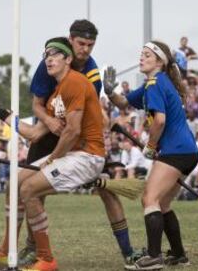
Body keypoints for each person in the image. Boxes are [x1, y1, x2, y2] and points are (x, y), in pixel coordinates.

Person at [0, 37, 105, 271]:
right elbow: (33, 133)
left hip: (88, 156)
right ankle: (6, 250)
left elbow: (73, 131)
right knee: (14, 184)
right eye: (46, 55)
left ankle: (46, 259)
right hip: (73, 156)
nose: (49, 58)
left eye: (55, 54)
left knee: (28, 189)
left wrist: (52, 159)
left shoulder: (75, 82)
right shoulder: (56, 96)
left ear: (68, 59)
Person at [19, 19, 141, 265]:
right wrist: (50, 123)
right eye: (81, 43)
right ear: (70, 40)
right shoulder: (51, 61)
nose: (85, 49)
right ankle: (31, 248)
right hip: (48, 129)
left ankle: (128, 252)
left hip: (80, 139)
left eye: (90, 45)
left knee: (106, 191)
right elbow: (37, 105)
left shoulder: (91, 73)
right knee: (28, 188)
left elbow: (82, 118)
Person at [103, 40, 198, 270]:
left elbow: (160, 120)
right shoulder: (153, 84)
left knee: (149, 199)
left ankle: (154, 257)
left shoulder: (155, 83)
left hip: (175, 151)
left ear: (159, 61)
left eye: (147, 55)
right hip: (186, 151)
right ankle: (178, 254)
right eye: (141, 54)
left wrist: (151, 145)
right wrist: (110, 91)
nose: (141, 57)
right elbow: (125, 102)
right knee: (162, 203)